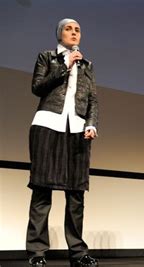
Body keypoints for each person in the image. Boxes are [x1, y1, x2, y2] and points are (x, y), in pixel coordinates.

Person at [26, 18, 99, 267]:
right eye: (69, 29)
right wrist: (64, 66)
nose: (74, 32)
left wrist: (91, 123)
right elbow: (38, 87)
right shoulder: (47, 57)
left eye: (78, 29)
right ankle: (37, 252)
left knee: (76, 193)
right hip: (48, 125)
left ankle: (78, 253)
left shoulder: (87, 65)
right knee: (42, 190)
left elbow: (92, 100)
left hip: (77, 130)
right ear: (59, 34)